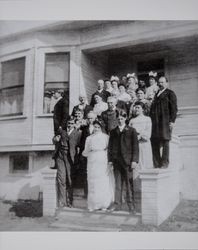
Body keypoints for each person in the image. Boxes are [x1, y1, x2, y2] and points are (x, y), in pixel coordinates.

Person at [108, 110, 139, 213]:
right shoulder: (113, 132)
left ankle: (131, 205)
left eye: (122, 118)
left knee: (129, 184)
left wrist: (134, 160)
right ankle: (117, 204)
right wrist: (110, 161)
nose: (120, 120)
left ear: (126, 119)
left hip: (128, 162)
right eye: (118, 119)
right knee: (118, 184)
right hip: (117, 161)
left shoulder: (131, 130)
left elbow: (135, 147)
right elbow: (110, 147)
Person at [82, 119, 114, 211]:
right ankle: (93, 204)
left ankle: (104, 204)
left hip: (102, 159)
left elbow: (109, 150)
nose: (96, 129)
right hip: (92, 160)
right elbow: (86, 151)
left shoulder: (106, 137)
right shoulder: (89, 138)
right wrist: (86, 153)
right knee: (93, 181)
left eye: (98, 127)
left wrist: (109, 161)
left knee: (102, 181)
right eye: (95, 127)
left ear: (101, 128)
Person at [150, 76, 178, 168]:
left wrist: (172, 121)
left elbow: (174, 108)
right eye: (159, 82)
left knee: (165, 140)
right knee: (154, 140)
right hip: (155, 122)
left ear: (167, 83)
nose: (160, 84)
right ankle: (156, 163)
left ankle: (164, 163)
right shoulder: (156, 94)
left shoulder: (170, 93)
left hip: (165, 121)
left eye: (162, 82)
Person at [55, 117, 81, 208]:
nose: (69, 125)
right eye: (68, 123)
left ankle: (70, 201)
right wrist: (55, 139)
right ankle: (62, 202)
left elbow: (79, 147)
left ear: (74, 124)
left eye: (71, 123)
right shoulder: (62, 131)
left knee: (70, 180)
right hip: (61, 156)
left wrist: (77, 159)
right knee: (61, 179)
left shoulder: (78, 134)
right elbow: (54, 139)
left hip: (70, 158)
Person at [129, 102, 153, 171]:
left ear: (142, 109)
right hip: (134, 146)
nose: (136, 109)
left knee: (145, 163)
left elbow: (148, 133)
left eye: (138, 107)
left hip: (144, 144)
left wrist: (139, 136)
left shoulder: (147, 119)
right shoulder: (132, 120)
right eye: (135, 107)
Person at [79, 111, 97, 198]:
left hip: (96, 155)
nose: (90, 120)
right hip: (87, 155)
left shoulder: (99, 128)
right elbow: (82, 142)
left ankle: (95, 192)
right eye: (88, 118)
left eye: (92, 118)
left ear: (95, 118)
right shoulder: (84, 129)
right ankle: (87, 193)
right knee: (86, 173)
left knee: (95, 173)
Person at [51, 90, 69, 169]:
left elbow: (65, 114)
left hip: (61, 128)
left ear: (59, 94)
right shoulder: (57, 102)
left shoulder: (64, 101)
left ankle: (61, 164)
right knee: (57, 144)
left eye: (55, 93)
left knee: (61, 145)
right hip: (57, 127)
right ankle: (57, 164)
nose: (53, 94)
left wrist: (62, 126)